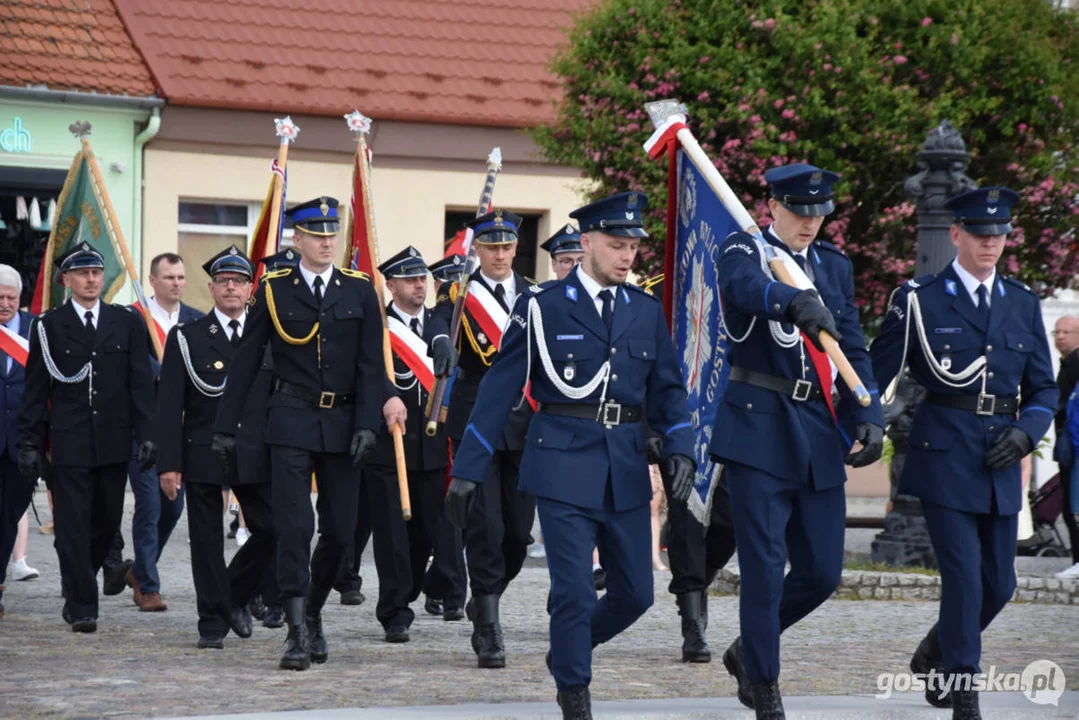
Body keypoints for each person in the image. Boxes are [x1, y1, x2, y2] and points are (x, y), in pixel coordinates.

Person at [445, 191, 696, 719]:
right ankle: (575, 695)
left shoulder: (645, 311)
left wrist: (679, 449)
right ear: (586, 243)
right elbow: (498, 390)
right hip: (561, 461)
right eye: (616, 244)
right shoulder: (542, 306)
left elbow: (669, 390)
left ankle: (566, 651)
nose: (627, 256)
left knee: (636, 596)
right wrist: (468, 469)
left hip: (624, 463)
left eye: (633, 246)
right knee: (575, 592)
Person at [871, 187, 1057, 720]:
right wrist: (858, 426)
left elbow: (1043, 388)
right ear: (955, 234)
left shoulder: (1021, 301)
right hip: (944, 451)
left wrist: (1027, 432)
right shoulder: (920, 298)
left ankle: (935, 651)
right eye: (980, 234)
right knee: (964, 578)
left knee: (1000, 585)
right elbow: (878, 375)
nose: (991, 243)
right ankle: (965, 694)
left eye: (999, 234)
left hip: (1001, 453)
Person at [710, 164, 885, 719]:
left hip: (816, 423)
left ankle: (746, 649)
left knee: (822, 572)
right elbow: (742, 290)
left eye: (819, 213)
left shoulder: (833, 266)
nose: (810, 222)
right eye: (800, 211)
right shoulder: (744, 249)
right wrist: (788, 299)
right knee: (761, 568)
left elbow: (852, 343)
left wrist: (870, 411)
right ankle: (765, 685)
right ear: (774, 207)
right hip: (759, 422)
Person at [213, 197, 405, 671]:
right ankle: (296, 630)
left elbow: (370, 364)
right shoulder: (274, 289)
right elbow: (244, 363)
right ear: (296, 240)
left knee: (340, 533)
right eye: (316, 235)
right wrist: (224, 429)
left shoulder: (359, 290)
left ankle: (314, 607)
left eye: (331, 234)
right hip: (292, 418)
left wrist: (367, 424)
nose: (326, 242)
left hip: (343, 424)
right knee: (295, 528)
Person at [17, 242, 157, 632]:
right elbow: (36, 389)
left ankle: (77, 578)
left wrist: (148, 434)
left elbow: (141, 384)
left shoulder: (126, 322)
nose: (92, 279)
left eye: (96, 273)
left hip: (114, 440)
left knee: (107, 520)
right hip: (70, 441)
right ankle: (82, 604)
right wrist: (30, 442)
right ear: (67, 280)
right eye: (83, 273)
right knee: (73, 524)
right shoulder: (48, 326)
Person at [427, 211, 539, 669]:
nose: (498, 254)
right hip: (476, 419)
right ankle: (488, 624)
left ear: (515, 248)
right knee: (486, 527)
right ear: (478, 249)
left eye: (506, 246)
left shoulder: (533, 293)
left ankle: (485, 599)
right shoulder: (457, 293)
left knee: (516, 534)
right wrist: (439, 343)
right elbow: (437, 322)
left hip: (523, 418)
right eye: (490, 247)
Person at [156, 245, 277, 649]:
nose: (231, 288)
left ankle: (233, 595)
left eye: (239, 282)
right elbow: (169, 406)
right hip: (203, 449)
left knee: (272, 530)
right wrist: (168, 464)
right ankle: (212, 621)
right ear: (210, 288)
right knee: (206, 541)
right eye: (223, 281)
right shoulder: (187, 337)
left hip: (255, 451)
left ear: (250, 289)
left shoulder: (268, 335)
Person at [638, 272, 738, 664]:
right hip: (676, 425)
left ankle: (700, 580)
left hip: (730, 421)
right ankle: (692, 619)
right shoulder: (660, 291)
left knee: (730, 523)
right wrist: (647, 426)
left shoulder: (742, 279)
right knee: (686, 520)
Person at [355, 246, 451, 643]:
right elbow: (365, 371)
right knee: (392, 531)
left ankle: (408, 592)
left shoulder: (441, 323)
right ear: (390, 285)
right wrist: (384, 394)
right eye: (410, 279)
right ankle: (394, 611)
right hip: (387, 448)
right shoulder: (376, 329)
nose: (419, 285)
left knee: (426, 533)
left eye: (422, 278)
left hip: (430, 448)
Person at [123, 252, 204, 612]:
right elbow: (127, 363)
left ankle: (139, 570)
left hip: (181, 429)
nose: (176, 283)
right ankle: (149, 588)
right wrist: (159, 369)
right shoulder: (133, 319)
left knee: (173, 507)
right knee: (150, 504)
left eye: (181, 278)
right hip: (142, 428)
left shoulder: (196, 322)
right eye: (169, 277)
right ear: (153, 281)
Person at [419, 253, 467, 621]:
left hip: (469, 425)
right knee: (448, 513)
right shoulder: (434, 325)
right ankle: (452, 591)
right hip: (437, 429)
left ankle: (442, 584)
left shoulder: (477, 328)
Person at [0, 265, 35, 619]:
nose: (5, 303)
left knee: (9, 516)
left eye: (11, 297)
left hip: (24, 444)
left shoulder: (36, 331)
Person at [1052, 315, 1079, 579]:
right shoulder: (1066, 363)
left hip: (1074, 442)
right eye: (1057, 332)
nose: (1060, 336)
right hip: (1068, 443)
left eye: (1066, 332)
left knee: (1075, 505)